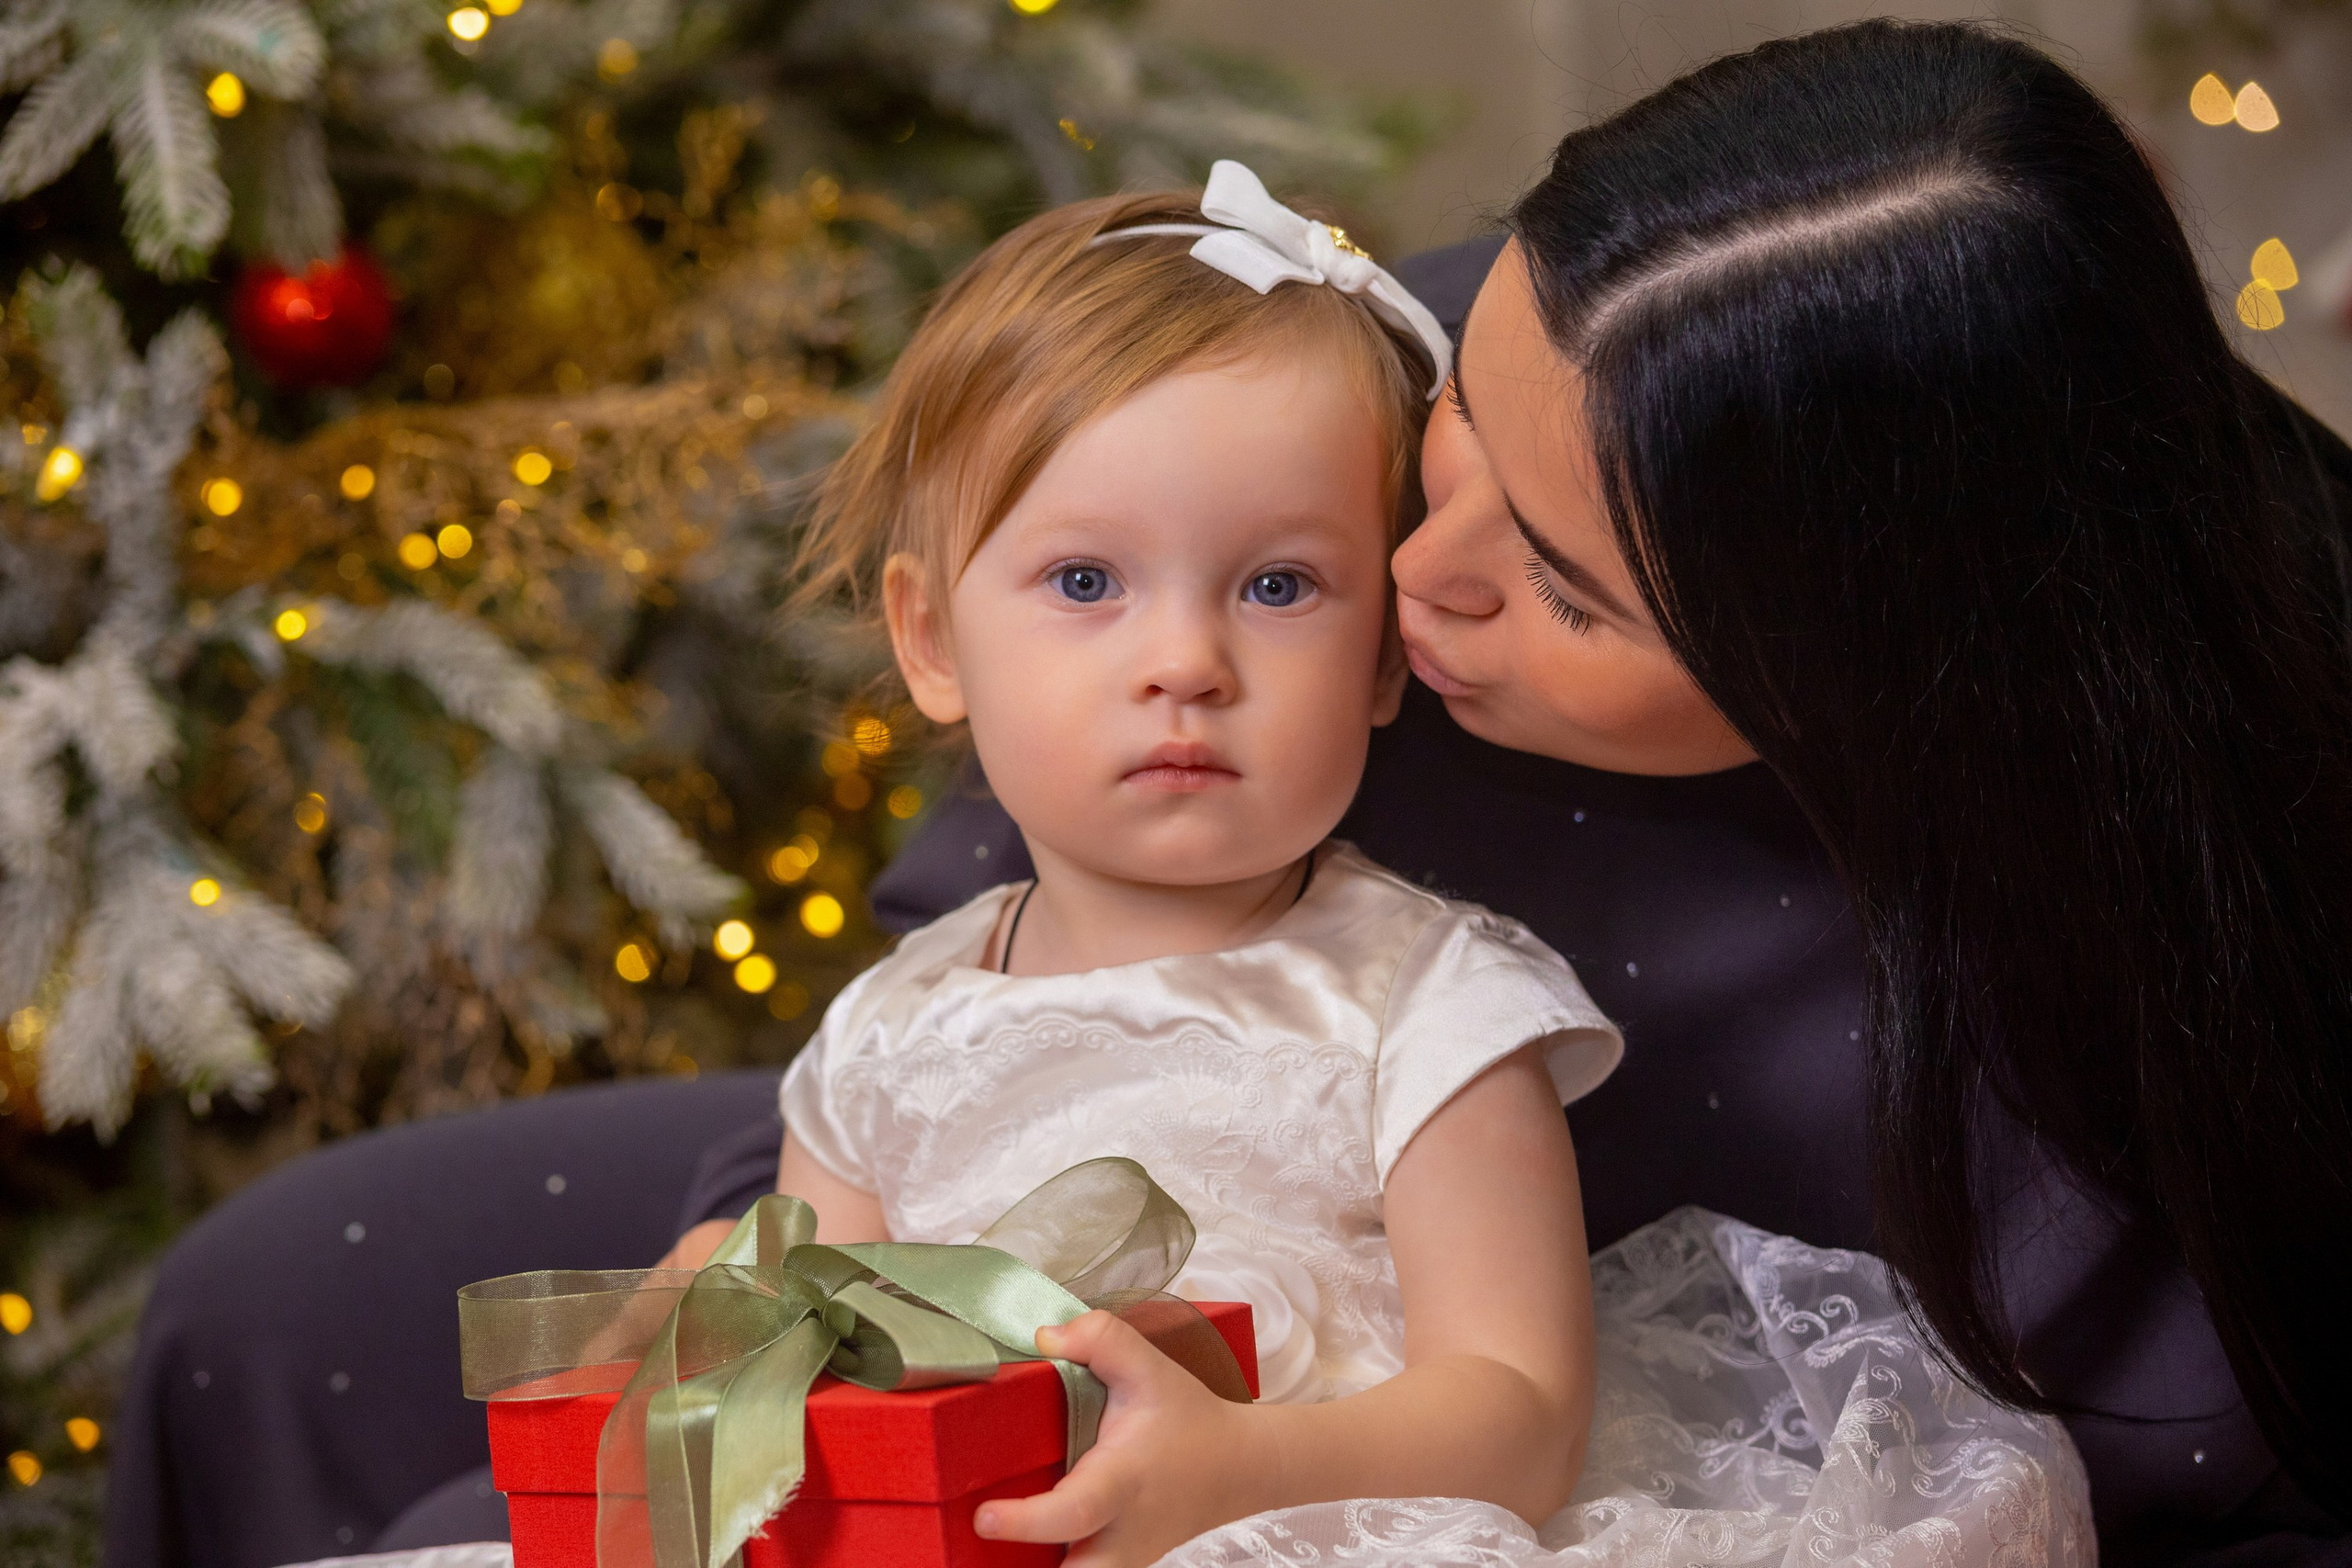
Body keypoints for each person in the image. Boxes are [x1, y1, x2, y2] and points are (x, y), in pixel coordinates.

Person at [760, 20, 2352, 1566]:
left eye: (1570, 591)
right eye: (1458, 428)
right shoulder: (1496, 346)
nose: (1408, 571)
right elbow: (934, 1002)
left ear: (1860, 681)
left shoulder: (2184, 948)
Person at [730, 161, 1623, 1564]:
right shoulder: (887, 1036)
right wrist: (712, 1325)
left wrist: (1242, 1470)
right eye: (1086, 583)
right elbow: (801, 1368)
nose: (1187, 666)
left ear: (1385, 653)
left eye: (1279, 587)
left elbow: (1522, 1415)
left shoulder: (1427, 1007)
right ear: (933, 643)